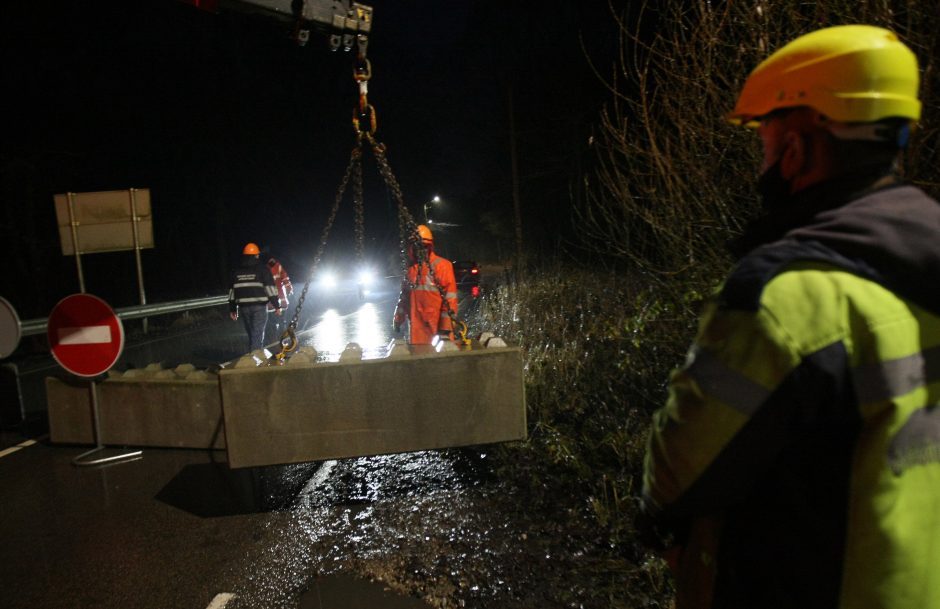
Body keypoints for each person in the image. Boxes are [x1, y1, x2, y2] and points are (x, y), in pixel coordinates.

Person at [639, 25, 940, 609]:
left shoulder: (786, 295)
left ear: (797, 147)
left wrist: (656, 517)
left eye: (767, 141)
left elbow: (681, 467)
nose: (766, 159)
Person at [392, 224, 459, 345]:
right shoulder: (410, 270)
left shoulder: (443, 266)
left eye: (423, 246)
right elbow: (404, 297)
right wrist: (398, 318)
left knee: (441, 361)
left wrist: (445, 326)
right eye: (417, 246)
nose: (420, 250)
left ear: (430, 246)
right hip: (417, 329)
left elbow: (450, 300)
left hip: (437, 328)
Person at [229, 242, 281, 353]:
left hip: (244, 308)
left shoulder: (236, 272)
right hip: (259, 307)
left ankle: (253, 354)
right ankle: (254, 359)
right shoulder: (262, 270)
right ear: (256, 256)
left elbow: (232, 292)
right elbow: (270, 289)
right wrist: (277, 305)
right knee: (257, 334)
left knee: (252, 334)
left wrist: (233, 309)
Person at [265, 251, 293, 333]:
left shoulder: (265, 268)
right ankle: (279, 330)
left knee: (273, 319)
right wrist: (289, 289)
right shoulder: (278, 266)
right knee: (280, 318)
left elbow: (285, 279)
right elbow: (285, 279)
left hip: (272, 298)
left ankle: (274, 329)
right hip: (280, 297)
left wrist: (289, 288)